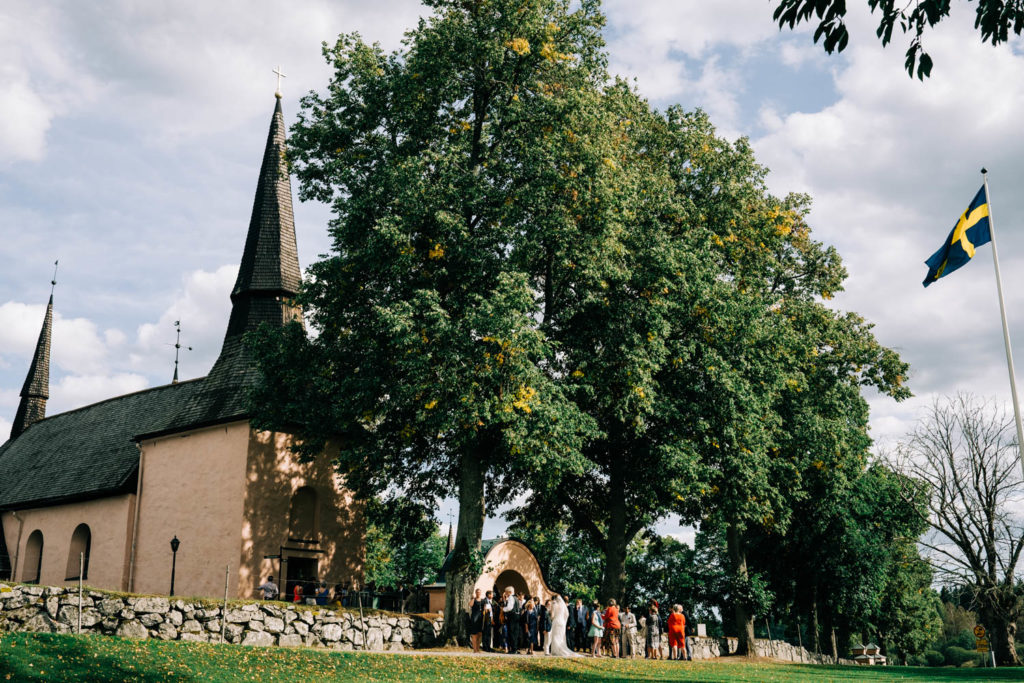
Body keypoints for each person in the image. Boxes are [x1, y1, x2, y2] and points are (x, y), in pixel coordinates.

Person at [502, 587, 520, 654]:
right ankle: (515, 648)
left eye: (506, 592)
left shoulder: (511, 597)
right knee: (515, 633)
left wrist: (503, 609)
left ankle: (512, 649)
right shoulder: (516, 598)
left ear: (509, 592)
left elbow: (509, 607)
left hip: (512, 616)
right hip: (517, 616)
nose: (505, 593)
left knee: (511, 633)